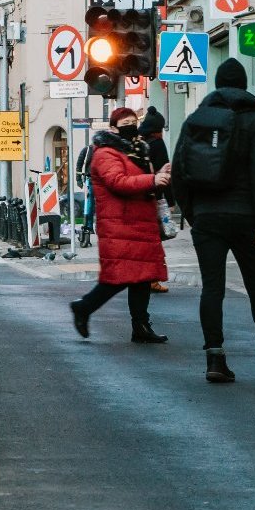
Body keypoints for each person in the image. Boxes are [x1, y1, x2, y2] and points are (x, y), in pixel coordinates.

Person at [169, 59, 255, 383]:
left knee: (212, 287)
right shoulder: (254, 119)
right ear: (244, 85)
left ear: (218, 85)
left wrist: (193, 213)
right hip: (246, 216)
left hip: (207, 217)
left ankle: (215, 359)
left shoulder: (196, 119)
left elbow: (179, 170)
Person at [70, 108, 172, 344]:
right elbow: (118, 182)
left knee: (142, 277)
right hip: (119, 224)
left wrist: (159, 176)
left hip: (140, 223)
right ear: (113, 127)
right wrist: (152, 179)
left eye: (133, 122)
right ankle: (84, 307)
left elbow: (142, 182)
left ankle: (141, 326)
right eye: (125, 122)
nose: (131, 126)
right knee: (118, 277)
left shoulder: (137, 152)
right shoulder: (106, 153)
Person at [138, 106, 177, 288]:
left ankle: (147, 277)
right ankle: (152, 279)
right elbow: (166, 173)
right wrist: (171, 201)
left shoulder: (138, 143)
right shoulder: (158, 144)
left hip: (140, 195)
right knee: (155, 241)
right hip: (155, 197)